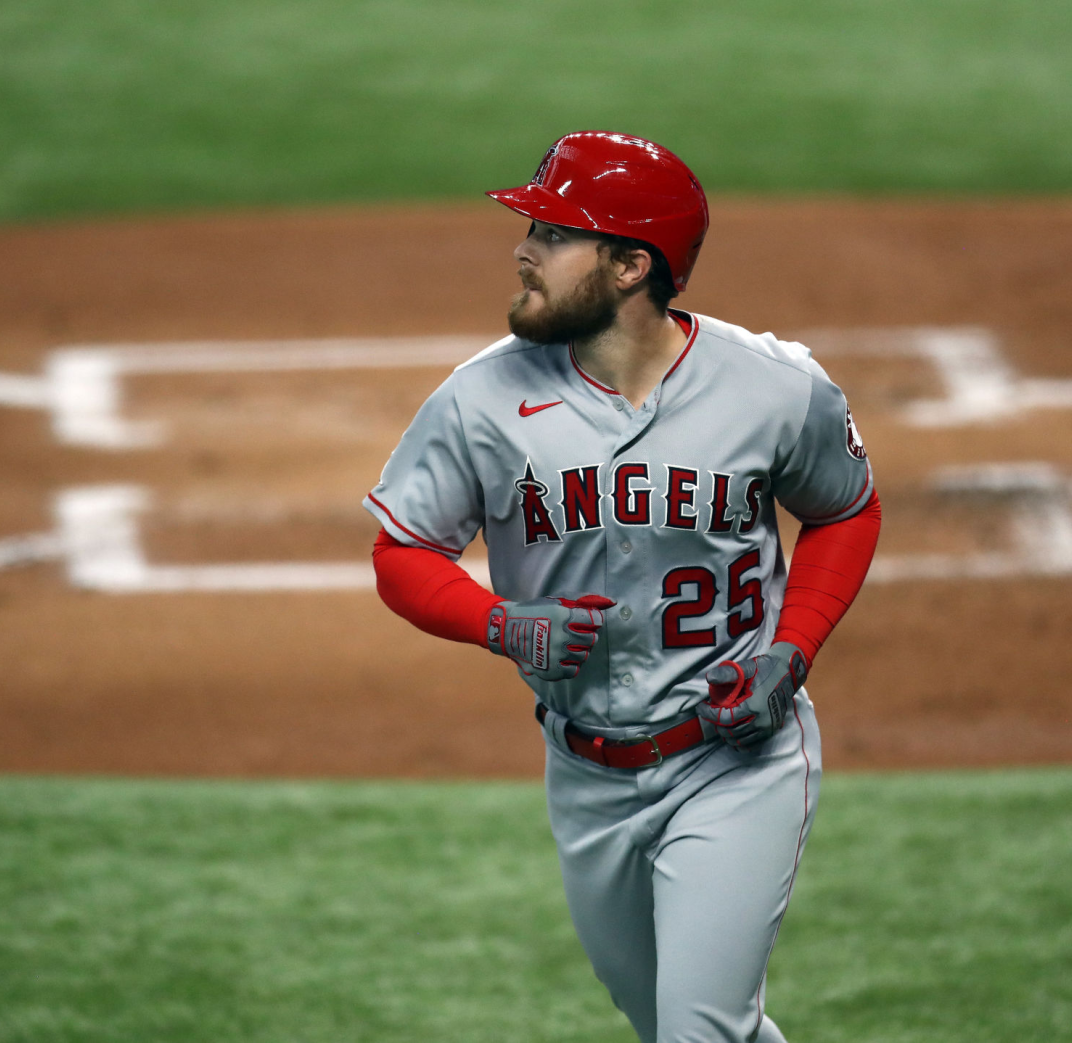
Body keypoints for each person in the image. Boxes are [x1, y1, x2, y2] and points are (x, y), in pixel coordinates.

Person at [363, 131, 881, 1043]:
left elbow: (845, 510)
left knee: (699, 1031)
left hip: (735, 759)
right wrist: (501, 623)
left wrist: (789, 653)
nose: (523, 248)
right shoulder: (478, 400)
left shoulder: (771, 388)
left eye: (554, 232)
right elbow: (402, 550)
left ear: (631, 265)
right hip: (586, 770)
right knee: (670, 1023)